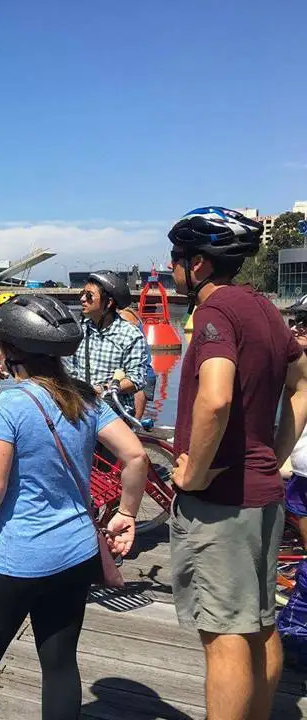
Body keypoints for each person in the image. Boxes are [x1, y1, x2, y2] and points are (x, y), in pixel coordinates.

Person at [0, 294, 148, 720]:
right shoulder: (84, 398)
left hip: (17, 557)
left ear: (10, 350)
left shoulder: (8, 404)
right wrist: (128, 513)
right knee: (59, 664)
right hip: (76, 553)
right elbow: (136, 456)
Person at [166, 207, 307, 720]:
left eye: (176, 260)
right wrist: (276, 451)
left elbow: (216, 397)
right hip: (264, 495)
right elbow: (303, 383)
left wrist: (195, 473)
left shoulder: (214, 314)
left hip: (222, 504)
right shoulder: (265, 308)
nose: (172, 269)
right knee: (259, 623)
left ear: (198, 264)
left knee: (223, 634)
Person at [64, 270, 149, 416]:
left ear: (108, 302)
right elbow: (69, 370)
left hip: (113, 412)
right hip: (80, 410)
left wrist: (104, 389)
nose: (83, 299)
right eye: (82, 294)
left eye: (89, 296)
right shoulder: (78, 331)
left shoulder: (130, 335)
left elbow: (136, 379)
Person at [284, 295, 307, 548]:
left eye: (304, 321)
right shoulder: (297, 364)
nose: (294, 327)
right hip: (299, 467)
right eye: (296, 320)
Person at [117, 304, 157, 420]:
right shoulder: (130, 314)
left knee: (132, 423)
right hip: (144, 374)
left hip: (140, 376)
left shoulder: (124, 316)